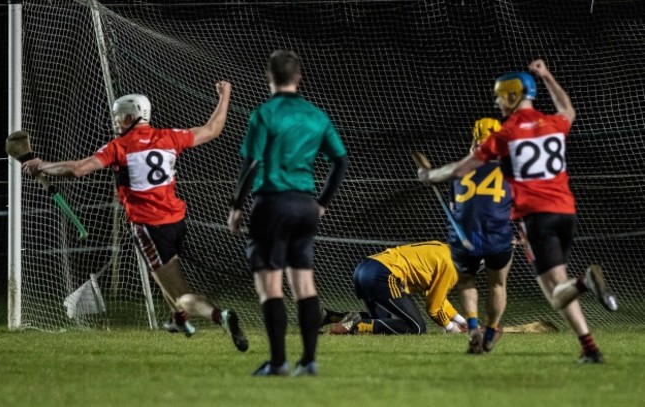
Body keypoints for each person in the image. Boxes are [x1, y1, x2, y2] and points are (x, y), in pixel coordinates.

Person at [23, 82, 249, 352]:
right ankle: (179, 320)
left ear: (129, 118)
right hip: (177, 221)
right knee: (163, 273)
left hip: (149, 227)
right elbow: (213, 129)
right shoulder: (170, 137)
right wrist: (225, 96)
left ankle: (220, 316)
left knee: (181, 294)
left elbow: (78, 169)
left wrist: (42, 166)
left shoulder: (119, 146)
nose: (116, 123)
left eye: (118, 118)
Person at [418, 59, 618, 363]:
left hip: (536, 218)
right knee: (558, 284)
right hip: (566, 212)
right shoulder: (553, 123)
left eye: (500, 96)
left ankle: (585, 282)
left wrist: (431, 175)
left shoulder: (506, 134)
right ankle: (589, 348)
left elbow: (463, 168)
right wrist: (548, 77)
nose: (498, 102)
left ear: (512, 96)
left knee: (556, 293)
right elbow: (569, 111)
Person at [227, 50, 348, 376]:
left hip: (272, 204)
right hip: (305, 205)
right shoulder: (316, 116)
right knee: (304, 285)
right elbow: (340, 161)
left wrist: (237, 206)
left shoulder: (264, 114)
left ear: (269, 77)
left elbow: (251, 163)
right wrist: (321, 202)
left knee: (271, 286)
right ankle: (308, 361)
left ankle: (278, 362)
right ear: (299, 77)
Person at [448, 117, 513, 354]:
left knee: (466, 281)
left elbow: (455, 207)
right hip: (497, 237)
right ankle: (491, 330)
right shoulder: (510, 168)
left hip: (465, 238)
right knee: (497, 283)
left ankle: (473, 327)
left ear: (475, 139)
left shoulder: (458, 169)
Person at [327, 241, 466, 335]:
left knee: (379, 320)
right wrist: (451, 327)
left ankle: (330, 316)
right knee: (416, 328)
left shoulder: (443, 249)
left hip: (364, 268)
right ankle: (357, 324)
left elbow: (437, 297)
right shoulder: (453, 265)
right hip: (382, 274)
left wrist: (462, 321)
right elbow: (434, 308)